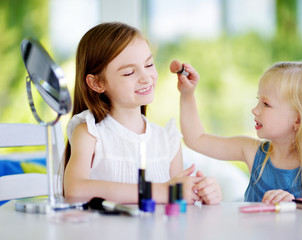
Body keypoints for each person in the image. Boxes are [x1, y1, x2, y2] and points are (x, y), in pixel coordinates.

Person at [63, 22, 222, 205]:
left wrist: (203, 193)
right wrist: (160, 191)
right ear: (97, 83)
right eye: (129, 72)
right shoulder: (89, 133)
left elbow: (178, 204)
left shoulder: (167, 140)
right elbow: (75, 190)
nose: (146, 77)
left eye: (149, 64)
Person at [176, 61, 302, 203]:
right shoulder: (252, 151)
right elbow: (196, 139)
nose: (255, 110)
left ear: (298, 120)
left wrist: (295, 207)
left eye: (266, 104)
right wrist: (187, 94)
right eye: (259, 101)